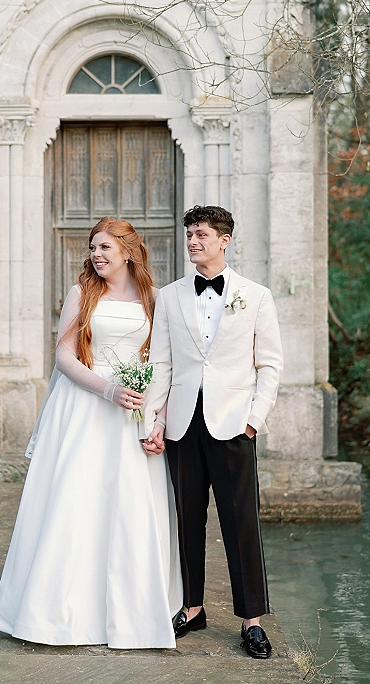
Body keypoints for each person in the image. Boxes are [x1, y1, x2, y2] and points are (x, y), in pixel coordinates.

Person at [0, 217, 182, 649]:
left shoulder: (155, 297)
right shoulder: (82, 293)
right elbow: (64, 358)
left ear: (128, 252)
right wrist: (109, 389)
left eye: (105, 248)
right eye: (93, 248)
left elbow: (168, 364)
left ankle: (133, 612)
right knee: (77, 502)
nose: (96, 255)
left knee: (130, 504)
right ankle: (59, 612)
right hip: (86, 405)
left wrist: (158, 417)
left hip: (135, 412)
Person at [141, 205, 283, 660]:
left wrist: (252, 420)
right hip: (183, 423)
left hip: (232, 425)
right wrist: (154, 420)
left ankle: (252, 621)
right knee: (186, 519)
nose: (192, 242)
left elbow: (270, 364)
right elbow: (160, 363)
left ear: (224, 240)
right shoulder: (169, 296)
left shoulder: (255, 296)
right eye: (189, 235)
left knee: (240, 521)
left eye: (201, 234)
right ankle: (192, 606)